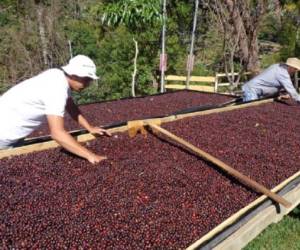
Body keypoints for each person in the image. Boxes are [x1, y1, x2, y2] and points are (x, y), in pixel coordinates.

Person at [0, 55, 111, 164]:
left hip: (12, 130)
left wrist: (89, 128)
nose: (88, 84)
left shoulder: (57, 75)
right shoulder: (56, 89)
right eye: (86, 79)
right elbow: (57, 133)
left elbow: (70, 105)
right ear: (73, 74)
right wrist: (90, 156)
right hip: (4, 135)